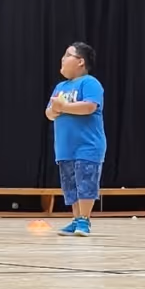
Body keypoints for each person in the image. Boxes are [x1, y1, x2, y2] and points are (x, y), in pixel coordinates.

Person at [47, 41, 106, 236]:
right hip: (65, 147)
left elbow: (89, 106)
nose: (62, 59)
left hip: (87, 146)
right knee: (70, 185)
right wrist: (54, 109)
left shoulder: (89, 82)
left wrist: (62, 107)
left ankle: (84, 220)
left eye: (67, 55)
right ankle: (75, 219)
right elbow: (49, 113)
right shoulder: (60, 87)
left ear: (80, 61)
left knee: (86, 183)